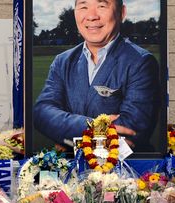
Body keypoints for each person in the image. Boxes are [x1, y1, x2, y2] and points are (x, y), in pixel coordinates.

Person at [33, 0, 160, 150]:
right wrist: (94, 126)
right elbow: (42, 113)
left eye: (101, 6)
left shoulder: (141, 62)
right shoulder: (63, 61)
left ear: (121, 13)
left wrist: (67, 141)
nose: (91, 16)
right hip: (70, 170)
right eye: (83, 6)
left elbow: (130, 132)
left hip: (125, 170)